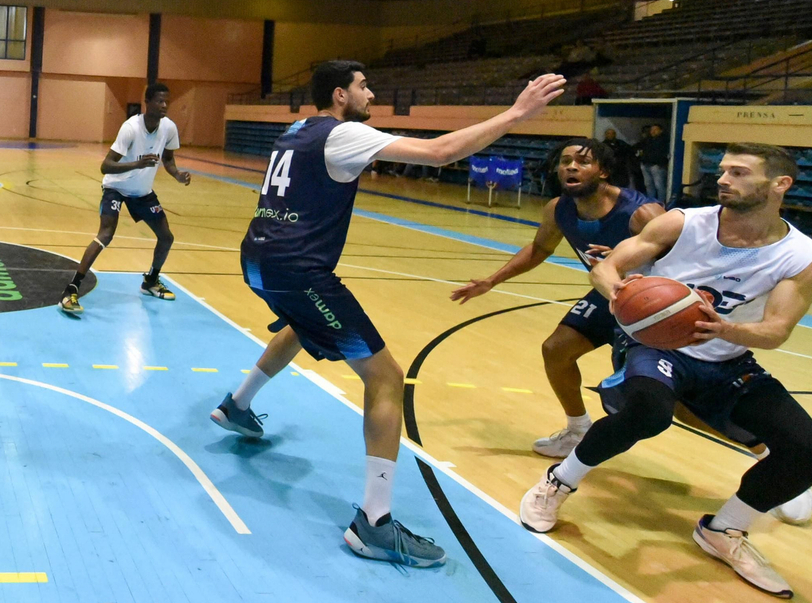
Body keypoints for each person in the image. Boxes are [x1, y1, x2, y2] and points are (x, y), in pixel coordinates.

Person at [212, 60, 566, 567]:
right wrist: (515, 114)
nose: (371, 94)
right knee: (385, 377)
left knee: (304, 325)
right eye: (363, 87)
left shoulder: (295, 131)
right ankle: (374, 523)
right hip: (298, 268)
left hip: (257, 259)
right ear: (340, 95)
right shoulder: (343, 133)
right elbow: (441, 153)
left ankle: (238, 405)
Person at [519, 143, 812, 599]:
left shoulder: (805, 256)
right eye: (723, 170)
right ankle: (558, 482)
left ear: (779, 184)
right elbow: (608, 267)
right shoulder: (683, 223)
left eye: (739, 172)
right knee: (649, 412)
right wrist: (621, 293)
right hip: (654, 344)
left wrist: (726, 329)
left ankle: (723, 530)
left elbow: (776, 331)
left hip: (727, 358)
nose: (723, 179)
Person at [450, 139, 662, 456]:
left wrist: (628, 258)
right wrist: (492, 280)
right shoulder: (558, 209)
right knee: (556, 349)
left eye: (582, 161)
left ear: (603, 171)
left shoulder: (642, 213)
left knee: (658, 398)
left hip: (653, 302)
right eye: (565, 161)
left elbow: (686, 260)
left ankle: (745, 443)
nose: (571, 167)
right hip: (608, 295)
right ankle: (578, 430)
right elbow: (540, 249)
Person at [59, 83, 191, 316]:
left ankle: (151, 280)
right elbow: (106, 166)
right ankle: (71, 289)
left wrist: (177, 175)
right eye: (159, 101)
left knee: (166, 237)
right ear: (147, 102)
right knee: (106, 234)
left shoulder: (169, 128)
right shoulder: (130, 128)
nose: (164, 106)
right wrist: (137, 164)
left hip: (142, 192)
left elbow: (168, 159)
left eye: (167, 102)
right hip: (116, 187)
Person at [601, 128, 642, 192]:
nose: (611, 135)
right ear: (606, 135)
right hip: (610, 169)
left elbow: (630, 150)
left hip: (622, 169)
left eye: (612, 133)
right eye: (609, 133)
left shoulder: (621, 143)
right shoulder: (602, 145)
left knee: (623, 186)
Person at [638, 123, 670, 201]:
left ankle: (661, 202)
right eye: (652, 130)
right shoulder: (647, 140)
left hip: (657, 166)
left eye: (655, 129)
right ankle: (650, 202)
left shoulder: (665, 140)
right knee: (648, 185)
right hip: (646, 164)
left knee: (659, 185)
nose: (653, 131)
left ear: (661, 131)